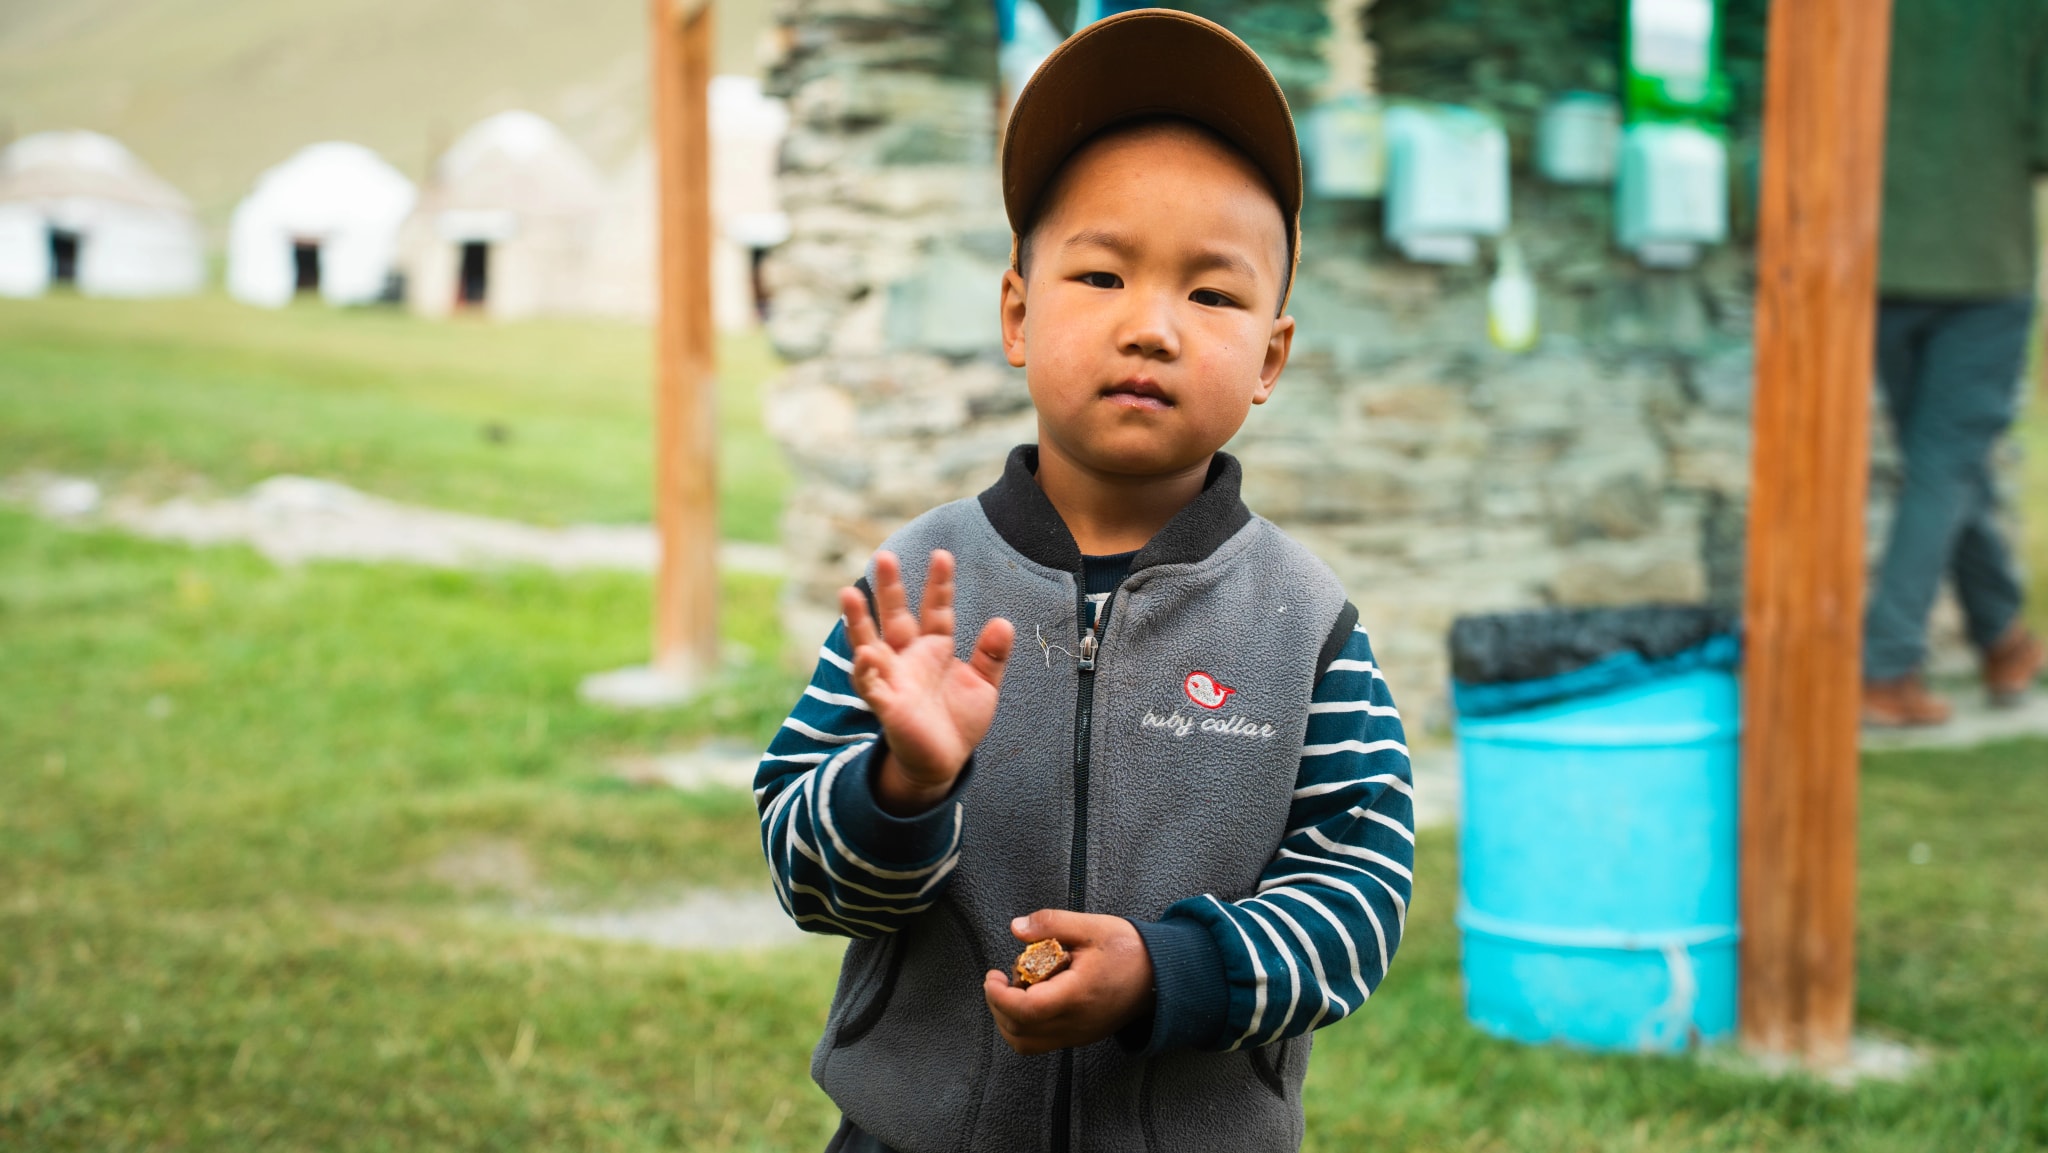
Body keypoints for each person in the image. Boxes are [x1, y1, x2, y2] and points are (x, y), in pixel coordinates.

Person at [753, 11, 1414, 1151]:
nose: (1149, 326)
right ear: (1017, 314)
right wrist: (901, 785)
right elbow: (808, 877)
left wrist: (1172, 970)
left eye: (1210, 294)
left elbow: (1358, 899)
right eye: (1101, 273)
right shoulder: (919, 588)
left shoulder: (1301, 624)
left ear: (1270, 355)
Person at [1862, 0, 2048, 727]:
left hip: (1878, 255)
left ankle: (2003, 638)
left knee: (1944, 464)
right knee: (1945, 465)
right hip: (1982, 265)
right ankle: (1885, 668)